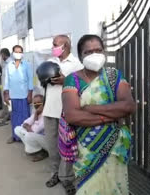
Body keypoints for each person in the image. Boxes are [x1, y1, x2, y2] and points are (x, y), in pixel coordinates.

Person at [62, 34, 136, 194]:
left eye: (98, 50)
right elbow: (72, 116)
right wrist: (112, 115)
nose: (94, 55)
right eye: (88, 52)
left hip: (115, 148)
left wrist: (92, 109)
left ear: (104, 52)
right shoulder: (72, 80)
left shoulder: (114, 76)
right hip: (87, 150)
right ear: (80, 57)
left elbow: (129, 106)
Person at [42, 35, 83, 193]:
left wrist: (65, 80)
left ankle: (67, 178)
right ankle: (55, 174)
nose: (53, 47)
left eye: (55, 44)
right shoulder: (51, 62)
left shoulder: (76, 65)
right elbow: (43, 86)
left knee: (66, 146)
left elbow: (80, 87)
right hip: (49, 109)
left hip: (66, 112)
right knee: (52, 145)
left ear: (65, 46)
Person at [4, 45, 33, 144]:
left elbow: (30, 81)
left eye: (20, 52)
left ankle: (25, 138)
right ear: (12, 53)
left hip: (24, 95)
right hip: (13, 96)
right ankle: (14, 136)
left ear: (22, 53)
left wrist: (30, 94)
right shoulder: (9, 65)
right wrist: (6, 94)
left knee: (25, 117)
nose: (18, 53)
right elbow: (6, 81)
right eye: (16, 52)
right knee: (14, 116)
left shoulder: (26, 65)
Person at [14, 94, 48, 162]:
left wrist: (35, 116)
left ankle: (43, 152)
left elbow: (35, 130)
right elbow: (24, 123)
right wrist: (28, 126)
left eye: (39, 103)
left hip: (46, 141)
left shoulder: (46, 115)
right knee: (17, 129)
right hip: (36, 136)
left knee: (28, 135)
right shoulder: (37, 113)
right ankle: (35, 149)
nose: (36, 105)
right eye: (34, 103)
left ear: (44, 103)